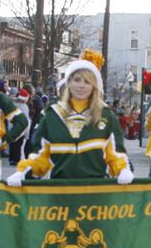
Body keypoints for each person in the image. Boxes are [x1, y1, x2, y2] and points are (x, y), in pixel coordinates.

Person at [7, 50, 132, 185]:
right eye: (77, 80)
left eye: (87, 81)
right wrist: (23, 173)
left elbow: (115, 154)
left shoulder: (106, 116)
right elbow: (41, 157)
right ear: (69, 83)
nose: (81, 85)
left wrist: (123, 170)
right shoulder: (53, 115)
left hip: (96, 195)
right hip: (60, 195)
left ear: (94, 86)